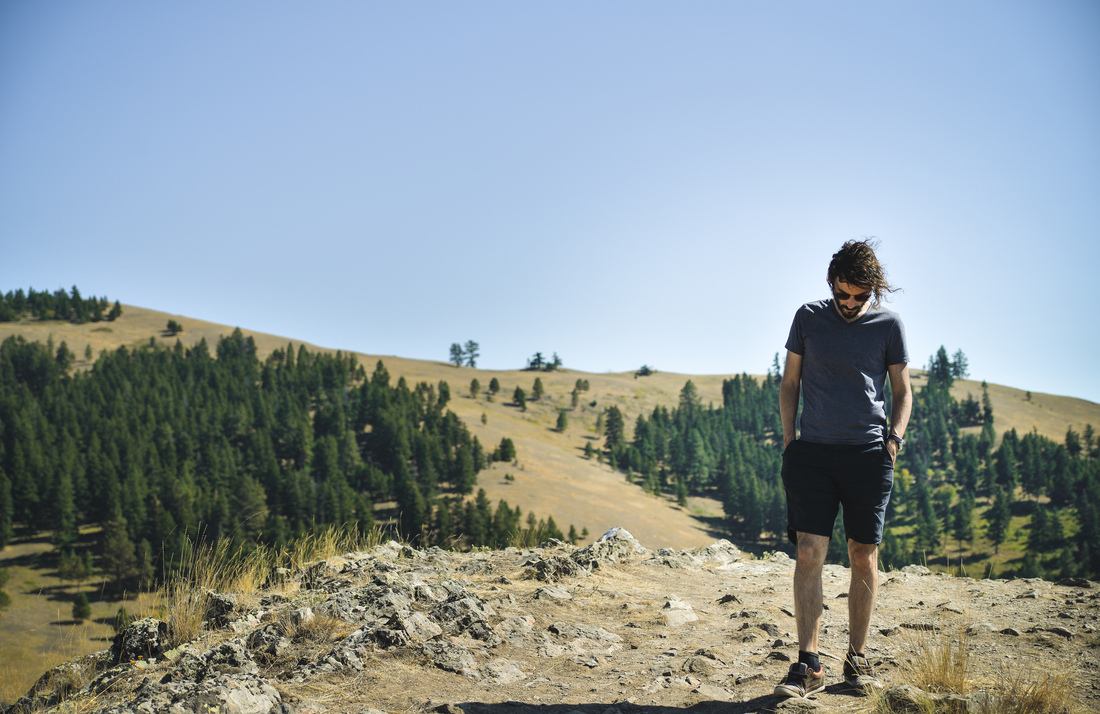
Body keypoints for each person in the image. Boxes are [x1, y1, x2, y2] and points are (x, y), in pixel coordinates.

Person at [773, 239, 912, 699]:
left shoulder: (889, 325)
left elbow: (902, 391)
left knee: (862, 555)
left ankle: (857, 659)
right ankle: (808, 662)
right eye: (843, 295)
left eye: (860, 297)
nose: (851, 304)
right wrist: (791, 440)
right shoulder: (807, 318)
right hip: (812, 454)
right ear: (831, 284)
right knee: (809, 553)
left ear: (873, 291)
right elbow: (789, 381)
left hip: (868, 457)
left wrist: (894, 439)